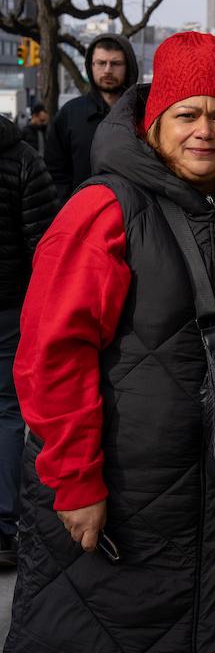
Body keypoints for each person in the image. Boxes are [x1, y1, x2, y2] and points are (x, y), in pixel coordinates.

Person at [6, 32, 215, 652]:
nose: (205, 131)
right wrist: (75, 482)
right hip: (125, 502)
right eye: (186, 114)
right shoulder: (104, 207)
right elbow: (51, 355)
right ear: (154, 123)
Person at [0, 115, 54, 568]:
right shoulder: (22, 158)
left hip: (10, 306)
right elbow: (41, 241)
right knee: (7, 411)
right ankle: (3, 526)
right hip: (10, 302)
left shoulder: (23, 158)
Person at [44, 34, 139, 200]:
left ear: (128, 66)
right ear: (91, 65)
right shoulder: (70, 114)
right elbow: (54, 171)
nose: (108, 70)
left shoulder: (143, 114)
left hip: (135, 216)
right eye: (101, 63)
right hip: (80, 214)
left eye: (115, 63)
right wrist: (68, 207)